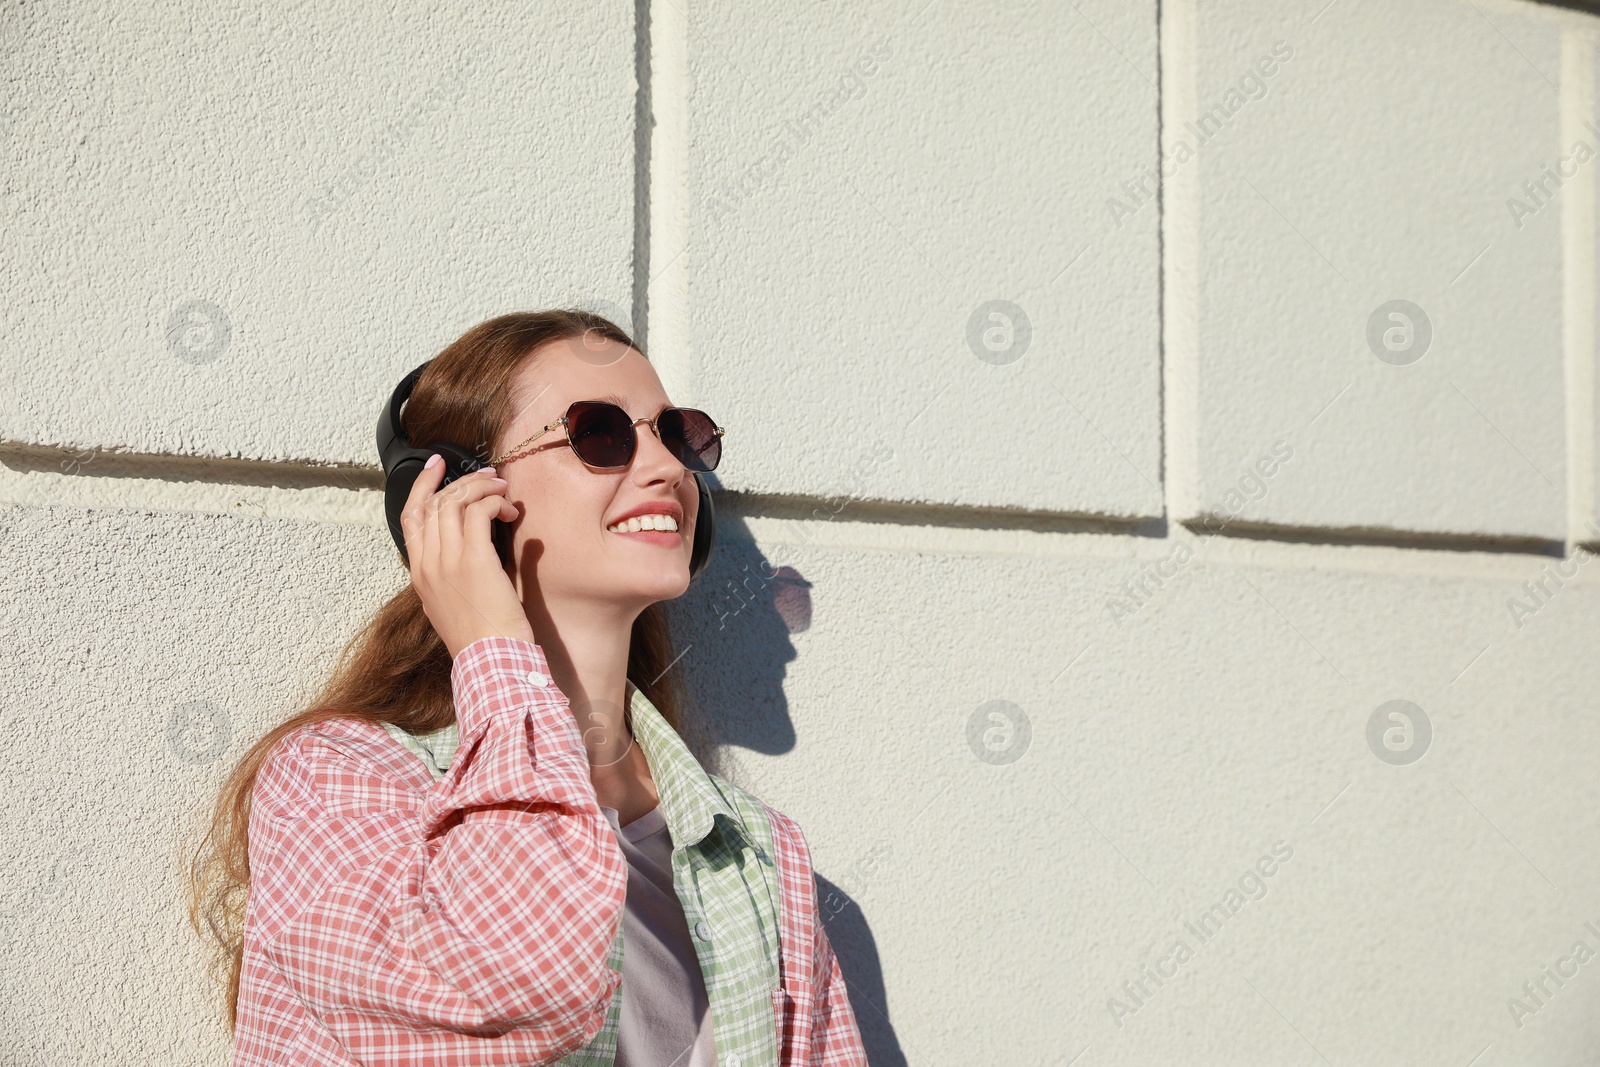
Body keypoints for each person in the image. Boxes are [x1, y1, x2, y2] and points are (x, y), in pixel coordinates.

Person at [186, 310, 868, 1066]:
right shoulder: (337, 781)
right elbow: (511, 991)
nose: (667, 468)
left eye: (677, 434)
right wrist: (490, 648)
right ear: (458, 493)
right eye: (599, 433)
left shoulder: (758, 851)